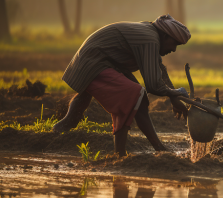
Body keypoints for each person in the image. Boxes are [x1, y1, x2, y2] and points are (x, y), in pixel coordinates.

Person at [53, 14, 190, 156]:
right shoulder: (150, 39)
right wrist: (176, 93)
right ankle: (121, 153)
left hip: (99, 61)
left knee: (140, 100)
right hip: (94, 62)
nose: (174, 49)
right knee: (135, 94)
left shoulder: (151, 33)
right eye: (174, 44)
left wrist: (174, 96)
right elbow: (153, 85)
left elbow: (160, 70)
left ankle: (157, 148)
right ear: (165, 36)